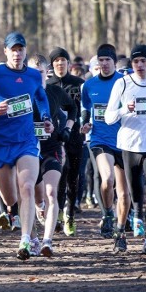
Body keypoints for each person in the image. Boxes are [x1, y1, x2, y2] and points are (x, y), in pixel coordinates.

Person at [0, 31, 53, 260]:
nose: (17, 54)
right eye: (13, 50)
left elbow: (41, 98)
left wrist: (46, 118)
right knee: (11, 198)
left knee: (27, 187)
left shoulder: (34, 76)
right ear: (5, 51)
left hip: (26, 141)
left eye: (20, 49)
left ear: (25, 51)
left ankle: (25, 239)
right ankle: (32, 234)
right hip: (0, 143)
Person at [104, 44, 146, 255]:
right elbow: (108, 117)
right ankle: (136, 217)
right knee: (135, 194)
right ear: (131, 64)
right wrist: (126, 109)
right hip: (129, 146)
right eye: (136, 62)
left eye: (144, 61)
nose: (140, 65)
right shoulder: (122, 84)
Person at [80, 44, 131, 250]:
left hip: (125, 141)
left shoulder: (125, 83)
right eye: (100, 60)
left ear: (114, 62)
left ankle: (120, 233)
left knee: (125, 193)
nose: (104, 64)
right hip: (100, 139)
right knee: (107, 178)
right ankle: (108, 212)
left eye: (107, 60)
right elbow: (86, 109)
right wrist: (85, 123)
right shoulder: (89, 85)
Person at [29, 54, 75, 256]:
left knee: (51, 193)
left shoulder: (55, 92)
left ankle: (47, 241)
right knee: (30, 195)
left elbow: (72, 107)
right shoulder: (22, 95)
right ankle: (32, 239)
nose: (36, 76)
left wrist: (67, 128)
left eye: (40, 72)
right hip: (28, 151)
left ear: (46, 73)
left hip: (52, 149)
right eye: (32, 72)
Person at [46, 47, 84, 236]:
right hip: (53, 139)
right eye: (56, 61)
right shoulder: (47, 85)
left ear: (69, 63)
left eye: (63, 60)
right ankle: (59, 213)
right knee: (59, 175)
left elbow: (85, 109)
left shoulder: (78, 84)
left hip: (75, 137)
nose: (60, 64)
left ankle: (70, 215)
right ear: (52, 65)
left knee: (73, 178)